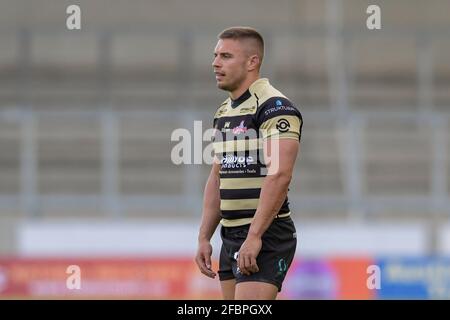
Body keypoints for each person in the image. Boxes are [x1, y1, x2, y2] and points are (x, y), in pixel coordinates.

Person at [195, 26, 303, 300]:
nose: (215, 63)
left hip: (265, 233)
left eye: (226, 56)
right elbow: (218, 176)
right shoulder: (223, 111)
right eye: (216, 55)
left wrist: (255, 235)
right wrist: (204, 236)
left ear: (252, 62)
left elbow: (279, 175)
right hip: (230, 234)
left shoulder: (274, 107)